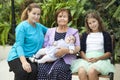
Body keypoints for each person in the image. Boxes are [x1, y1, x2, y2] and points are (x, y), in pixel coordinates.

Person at [70, 10, 115, 80]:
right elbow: (81, 51)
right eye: (89, 23)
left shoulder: (105, 35)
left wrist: (97, 59)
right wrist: (86, 59)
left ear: (98, 21)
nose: (92, 24)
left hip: (100, 60)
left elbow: (109, 53)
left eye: (94, 21)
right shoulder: (85, 35)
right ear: (87, 25)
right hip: (86, 59)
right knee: (81, 71)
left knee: (91, 71)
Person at [7, 3, 47, 80]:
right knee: (23, 72)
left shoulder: (39, 26)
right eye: (34, 13)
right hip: (17, 56)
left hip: (31, 57)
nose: (36, 16)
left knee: (34, 71)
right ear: (28, 12)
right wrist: (24, 62)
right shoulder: (22, 27)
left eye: (38, 14)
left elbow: (52, 32)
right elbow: (19, 46)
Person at [37, 8, 80, 80]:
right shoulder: (50, 31)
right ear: (56, 18)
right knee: (41, 67)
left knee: (58, 68)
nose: (62, 18)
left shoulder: (74, 32)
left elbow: (78, 48)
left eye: (64, 16)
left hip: (66, 59)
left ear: (68, 18)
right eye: (60, 16)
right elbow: (45, 45)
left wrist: (65, 51)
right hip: (51, 56)